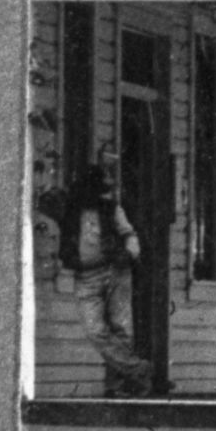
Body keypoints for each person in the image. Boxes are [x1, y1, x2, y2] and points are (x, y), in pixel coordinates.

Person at [61, 165, 149, 396]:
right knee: (94, 330)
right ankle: (138, 369)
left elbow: (128, 233)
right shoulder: (70, 210)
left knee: (121, 327)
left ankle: (117, 386)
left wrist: (130, 253)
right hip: (85, 274)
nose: (93, 193)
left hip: (114, 271)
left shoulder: (111, 209)